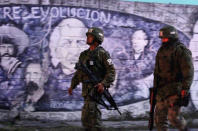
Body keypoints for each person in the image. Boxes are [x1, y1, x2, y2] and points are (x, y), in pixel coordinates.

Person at [68, 27, 116, 131]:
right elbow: (79, 73)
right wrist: (72, 85)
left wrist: (103, 84)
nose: (88, 38)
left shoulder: (102, 54)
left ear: (96, 39)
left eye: (90, 36)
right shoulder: (84, 55)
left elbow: (111, 71)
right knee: (86, 118)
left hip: (96, 89)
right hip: (86, 90)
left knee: (92, 115)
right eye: (88, 36)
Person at [153, 25, 194, 131]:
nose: (163, 40)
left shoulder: (181, 51)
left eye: (165, 38)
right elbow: (157, 71)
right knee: (159, 119)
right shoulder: (161, 51)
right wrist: (155, 88)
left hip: (175, 90)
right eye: (162, 38)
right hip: (162, 91)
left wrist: (185, 89)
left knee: (173, 118)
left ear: (172, 37)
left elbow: (188, 72)